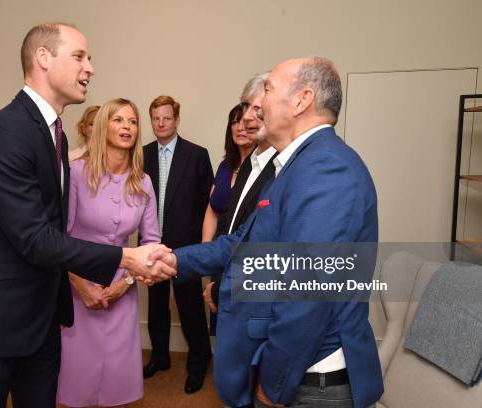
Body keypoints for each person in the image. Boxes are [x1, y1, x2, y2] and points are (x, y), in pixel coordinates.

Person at [0, 23, 174, 408]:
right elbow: (35, 238)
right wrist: (125, 257)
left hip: (42, 319)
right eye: (80, 56)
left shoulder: (56, 134)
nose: (90, 68)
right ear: (44, 59)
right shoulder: (6, 131)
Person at [150, 57, 383, 408]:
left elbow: (309, 295)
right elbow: (238, 242)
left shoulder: (326, 168)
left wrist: (273, 385)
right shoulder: (293, 166)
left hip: (310, 383)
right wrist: (170, 259)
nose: (254, 111)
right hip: (296, 374)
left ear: (302, 100)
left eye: (269, 91)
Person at [57, 98, 159, 407]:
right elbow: (58, 239)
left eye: (132, 121)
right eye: (118, 120)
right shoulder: (76, 173)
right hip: (77, 289)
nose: (127, 126)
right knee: (75, 383)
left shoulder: (143, 182)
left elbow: (150, 242)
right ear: (103, 126)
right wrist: (82, 286)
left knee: (117, 387)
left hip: (122, 290)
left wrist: (123, 285)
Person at [142, 95, 213, 393]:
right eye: (155, 118)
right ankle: (160, 357)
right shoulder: (141, 154)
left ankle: (198, 362)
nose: (160, 123)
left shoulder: (197, 154)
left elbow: (207, 205)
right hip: (150, 244)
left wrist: (201, 246)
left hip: (186, 248)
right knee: (156, 307)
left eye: (166, 118)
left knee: (190, 307)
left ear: (176, 120)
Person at [203, 74, 278, 336]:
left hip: (252, 280)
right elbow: (218, 215)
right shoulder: (234, 167)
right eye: (244, 110)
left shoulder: (279, 167)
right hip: (225, 260)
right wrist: (206, 254)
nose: (245, 120)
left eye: (255, 110)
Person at [201, 103, 253, 243]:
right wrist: (206, 247)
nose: (240, 128)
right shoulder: (225, 166)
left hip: (245, 252)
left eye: (245, 123)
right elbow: (212, 211)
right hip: (218, 250)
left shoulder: (262, 167)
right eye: (235, 122)